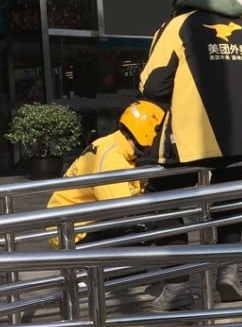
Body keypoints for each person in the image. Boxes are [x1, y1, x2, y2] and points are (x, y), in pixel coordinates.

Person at [140, 0, 242, 311]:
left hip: (189, 137)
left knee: (165, 203)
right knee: (230, 203)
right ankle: (228, 272)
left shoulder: (177, 26)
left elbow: (151, 84)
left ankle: (177, 283)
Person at [47, 100, 165, 245]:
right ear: (147, 133)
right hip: (76, 231)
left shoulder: (114, 144)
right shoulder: (113, 160)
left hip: (74, 222)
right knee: (137, 233)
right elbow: (122, 211)